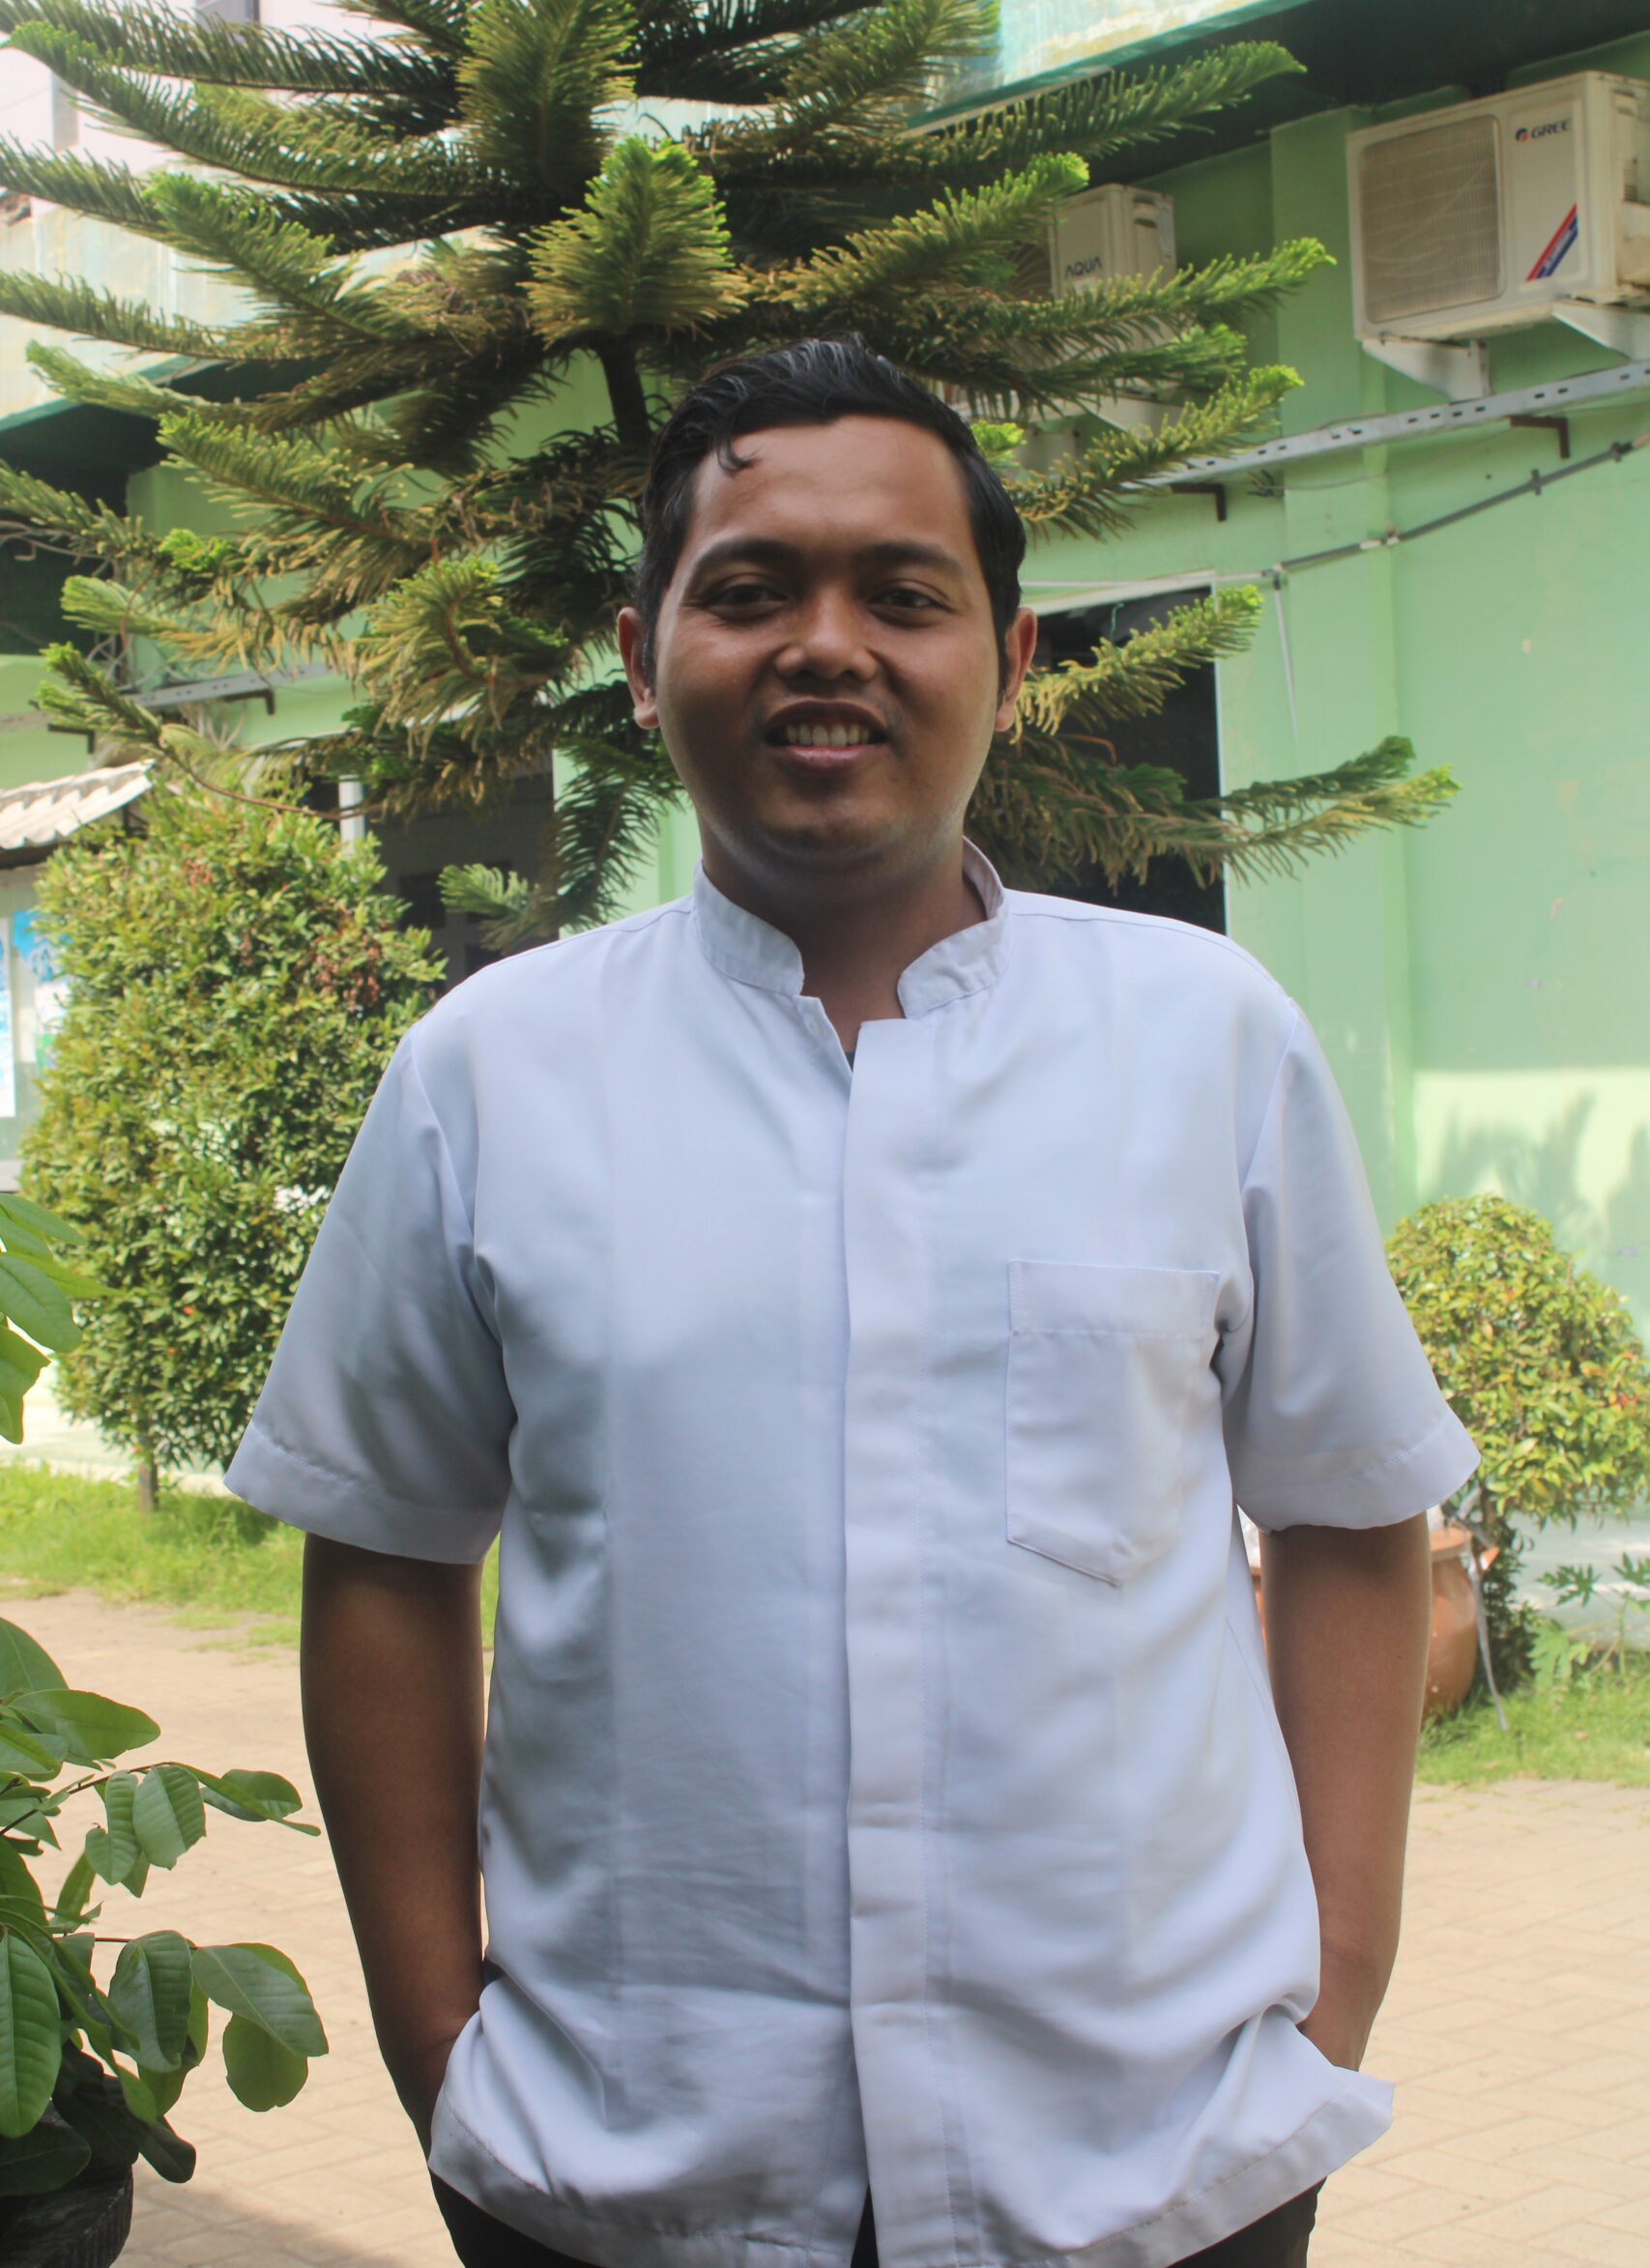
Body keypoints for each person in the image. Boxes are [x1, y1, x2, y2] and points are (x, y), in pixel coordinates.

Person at [227, 337, 1477, 2268]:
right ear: (643, 658)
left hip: (1155, 2169)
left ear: (1013, 658)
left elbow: (1347, 1509)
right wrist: (435, 2047)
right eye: (749, 591)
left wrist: (1337, 1991)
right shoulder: (491, 1076)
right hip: (628, 2175)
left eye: (903, 594)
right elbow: (386, 1555)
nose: (828, 646)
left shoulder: (1200, 1040)